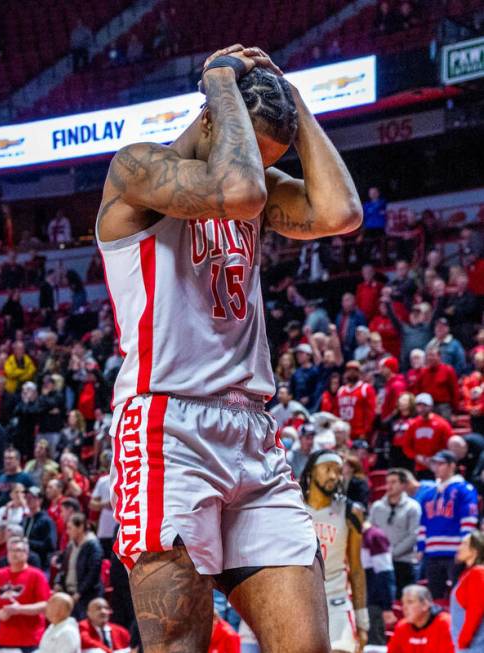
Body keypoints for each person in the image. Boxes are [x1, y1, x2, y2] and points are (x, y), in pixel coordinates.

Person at [96, 43, 361, 651]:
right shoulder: (137, 168)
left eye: (273, 158)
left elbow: (340, 211)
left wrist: (293, 99)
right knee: (180, 643)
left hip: (252, 431)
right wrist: (219, 75)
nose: (266, 171)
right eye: (256, 150)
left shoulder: (253, 186)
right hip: (167, 424)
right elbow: (238, 191)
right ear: (215, 120)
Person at [302, 451, 368, 652]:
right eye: (327, 469)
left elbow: (356, 568)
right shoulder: (293, 509)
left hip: (336, 597)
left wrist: (362, 620)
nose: (333, 476)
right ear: (311, 473)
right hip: (300, 598)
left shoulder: (351, 511)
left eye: (338, 471)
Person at [418, 450, 480, 600]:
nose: (436, 467)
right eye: (434, 464)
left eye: (441, 464)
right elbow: (423, 523)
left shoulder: (464, 489)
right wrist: (420, 547)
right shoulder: (429, 493)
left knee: (459, 596)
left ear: (452, 466)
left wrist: (465, 548)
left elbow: (469, 520)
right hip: (432, 553)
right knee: (435, 597)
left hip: (455, 553)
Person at [0, 537, 51, 652]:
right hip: (4, 639)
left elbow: (44, 605)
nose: (14, 554)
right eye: (11, 550)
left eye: (18, 550)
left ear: (26, 554)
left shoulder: (37, 576)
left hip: (30, 640)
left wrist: (19, 609)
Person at [370, 468, 422, 596]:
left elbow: (413, 535)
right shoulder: (377, 507)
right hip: (381, 564)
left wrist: (392, 553)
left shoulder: (413, 507)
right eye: (387, 482)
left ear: (403, 485)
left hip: (404, 563)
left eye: (394, 482)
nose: (389, 486)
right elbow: (371, 532)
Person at [55, 513, 103, 620]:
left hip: (86, 596)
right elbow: (63, 567)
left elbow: (93, 573)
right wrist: (58, 582)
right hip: (70, 594)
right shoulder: (71, 545)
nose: (67, 532)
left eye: (70, 528)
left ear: (80, 527)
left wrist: (79, 593)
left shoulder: (93, 546)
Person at [388, 584, 454, 653]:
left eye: (410, 602)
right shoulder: (402, 626)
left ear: (425, 605)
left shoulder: (445, 624)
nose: (404, 608)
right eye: (403, 603)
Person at [402, 394, 454, 479]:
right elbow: (407, 446)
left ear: (431, 406)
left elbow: (450, 443)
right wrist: (416, 456)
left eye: (424, 405)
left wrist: (438, 458)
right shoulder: (413, 424)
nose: (421, 409)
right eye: (419, 405)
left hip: (438, 466)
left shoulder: (442, 424)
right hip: (420, 467)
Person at [451, 531, 484, 652]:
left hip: (474, 646)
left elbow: (476, 610)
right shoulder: (469, 573)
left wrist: (463, 642)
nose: (459, 547)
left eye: (464, 544)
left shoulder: (478, 573)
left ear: (475, 550)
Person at [335, 360, 377, 441]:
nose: (351, 373)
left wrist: (365, 432)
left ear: (359, 372)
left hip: (359, 434)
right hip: (343, 434)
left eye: (354, 370)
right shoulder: (341, 390)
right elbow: (337, 413)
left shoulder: (365, 389)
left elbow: (370, 413)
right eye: (349, 370)